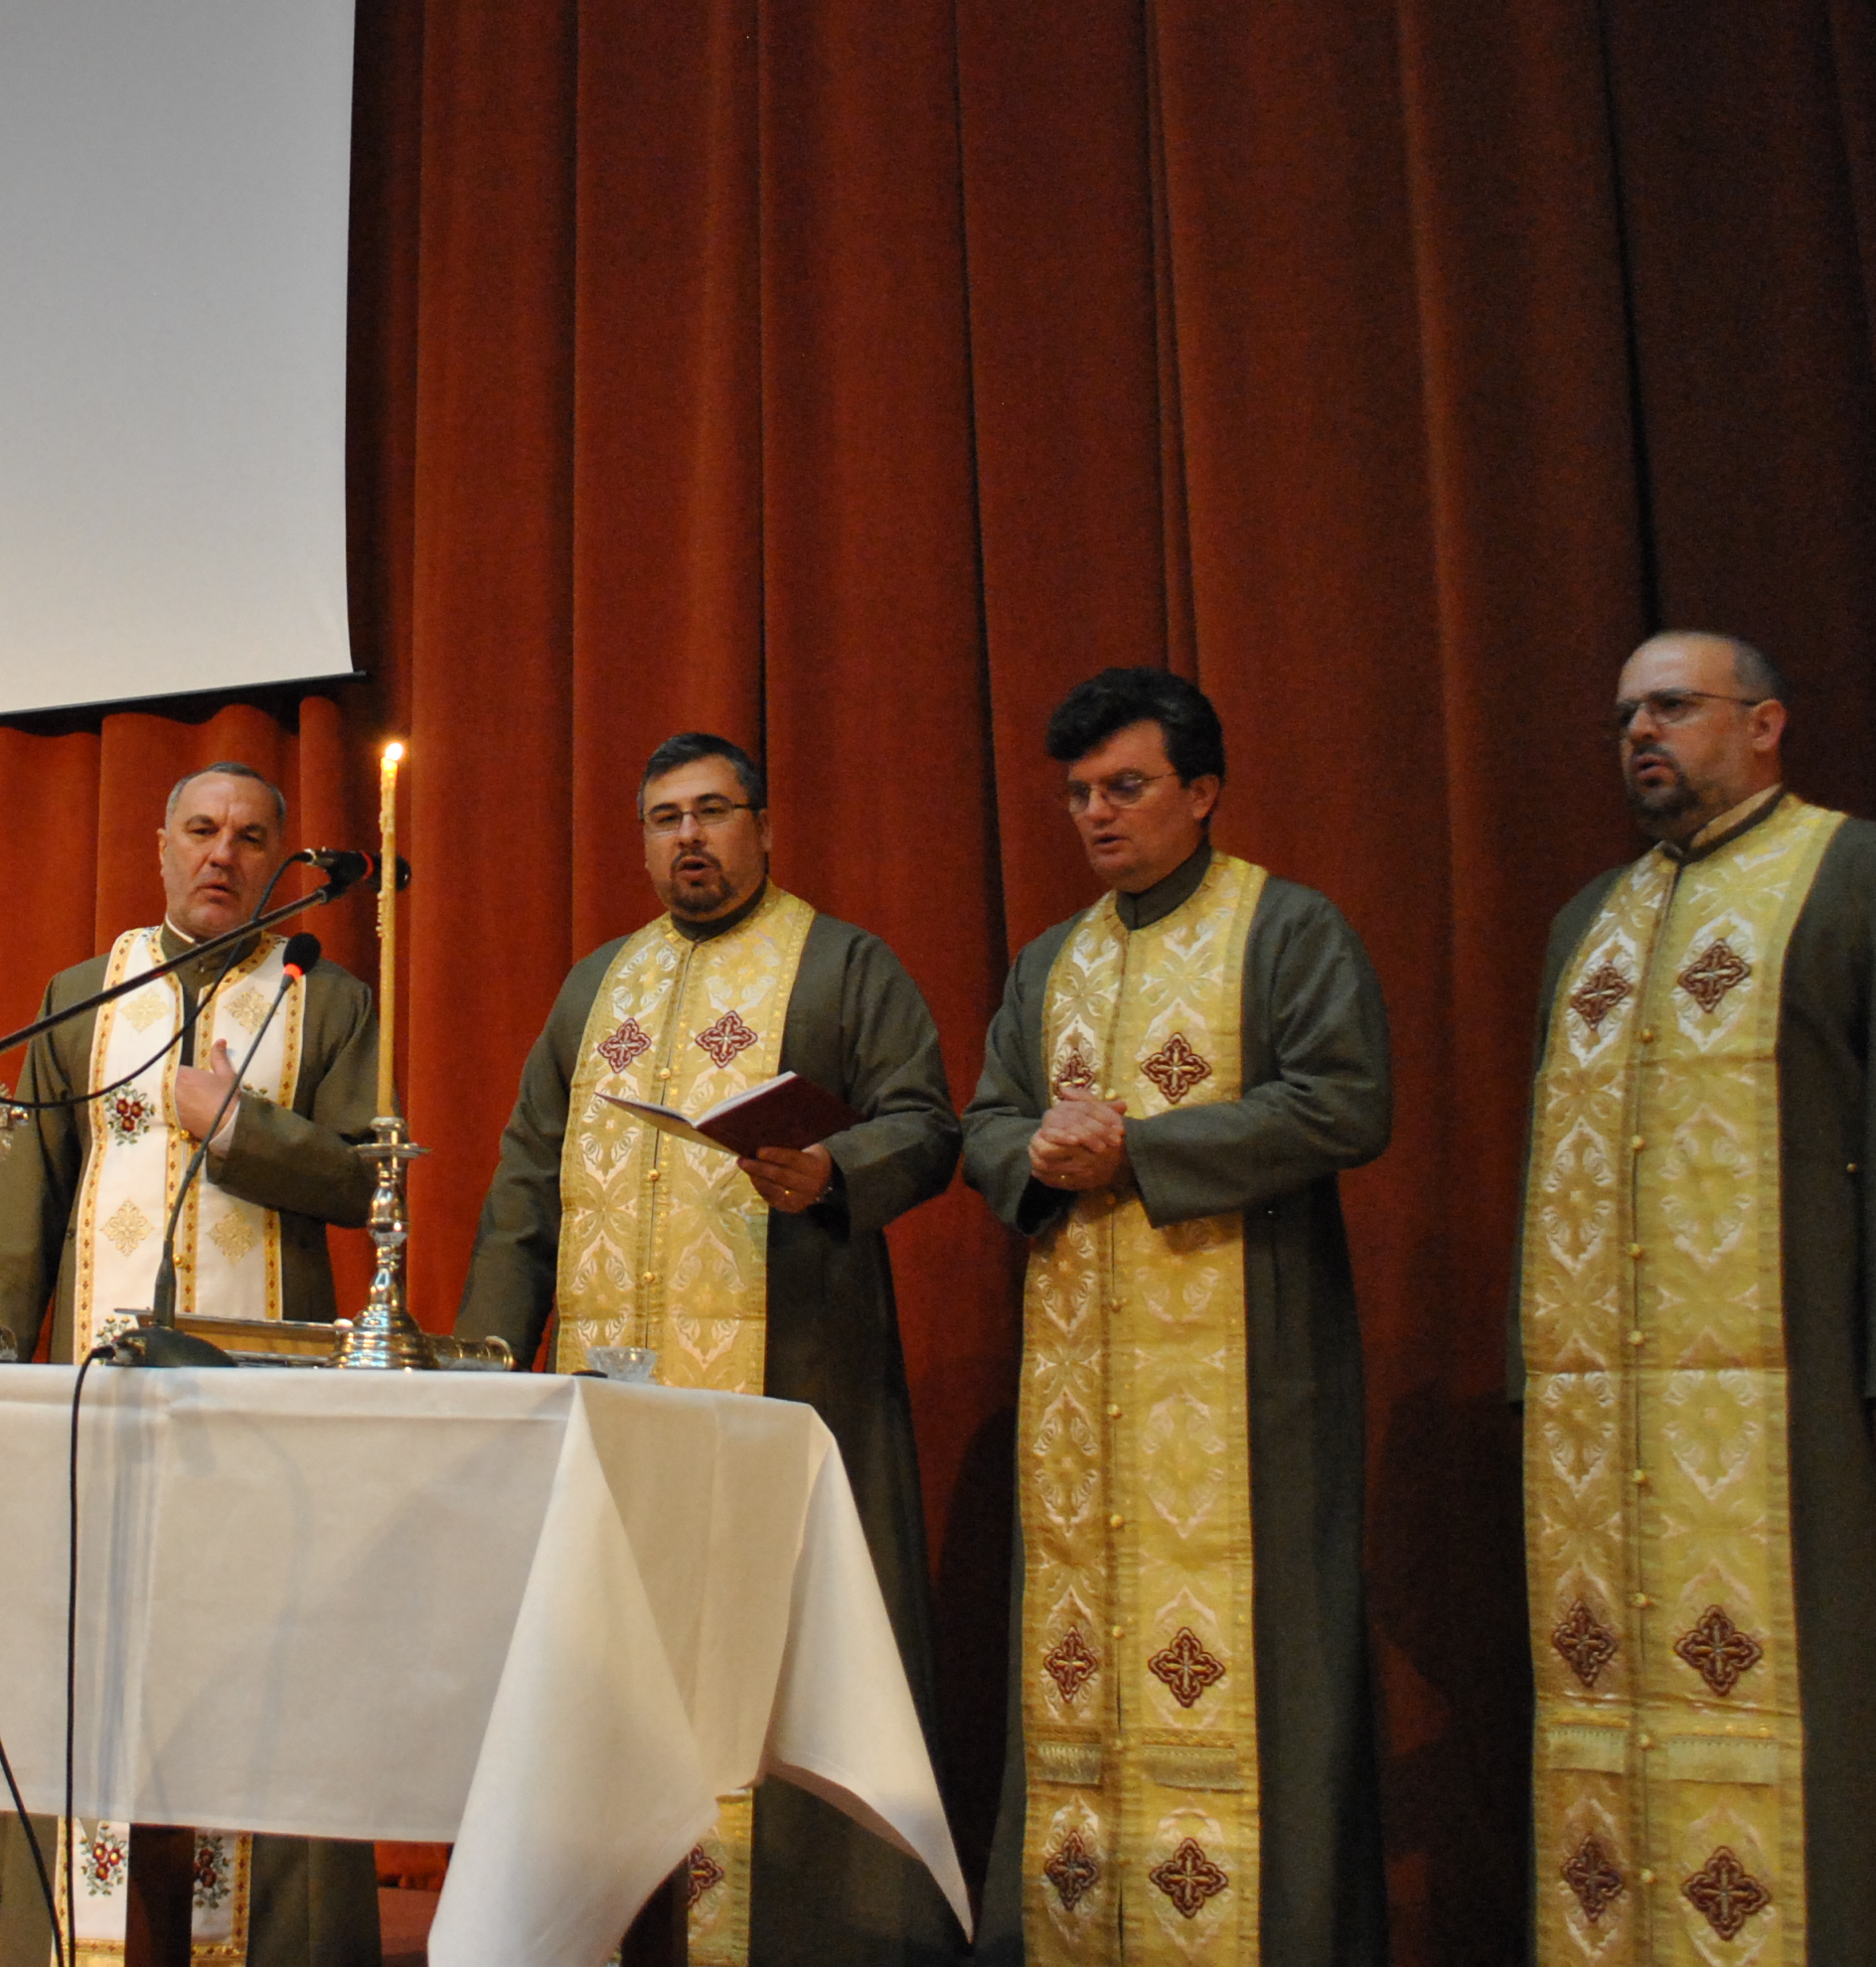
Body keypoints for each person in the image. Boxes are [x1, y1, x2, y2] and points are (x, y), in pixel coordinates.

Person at [1512, 632, 1876, 1965]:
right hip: (1609, 1438)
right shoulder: (1592, 921)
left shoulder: (1874, 876)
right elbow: (1551, 1168)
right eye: (1627, 713)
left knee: (1857, 1720)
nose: (1644, 732)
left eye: (1675, 707)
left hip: (1812, 1397)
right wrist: (1543, 1383)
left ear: (1766, 725)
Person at [454, 732, 963, 1967]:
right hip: (616, 1422)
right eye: (664, 818)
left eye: (713, 813)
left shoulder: (841, 965)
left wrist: (835, 1166)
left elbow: (928, 1123)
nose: (688, 838)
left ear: (764, 827)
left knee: (771, 1667)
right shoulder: (596, 988)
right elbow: (529, 1176)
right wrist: (482, 1352)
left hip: (781, 1395)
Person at [961, 666, 1391, 1967]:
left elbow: (1345, 1102)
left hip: (1249, 1397)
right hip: (1082, 1418)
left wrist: (1141, 1148)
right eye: (1080, 794)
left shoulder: (1288, 931)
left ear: (1202, 792)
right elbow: (984, 1122)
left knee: (1260, 1684)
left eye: (1127, 787)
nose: (1098, 814)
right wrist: (1035, 1152)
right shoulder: (1054, 962)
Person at [0, 761, 383, 1967]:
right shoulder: (80, 998)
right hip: (102, 1406)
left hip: (266, 1413)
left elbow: (369, 1182)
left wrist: (241, 1128)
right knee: (89, 1669)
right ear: (159, 846)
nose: (223, 855)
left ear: (278, 859)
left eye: (251, 838)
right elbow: (23, 1209)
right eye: (200, 831)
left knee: (264, 1672)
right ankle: (74, 1940)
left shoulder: (327, 1002)